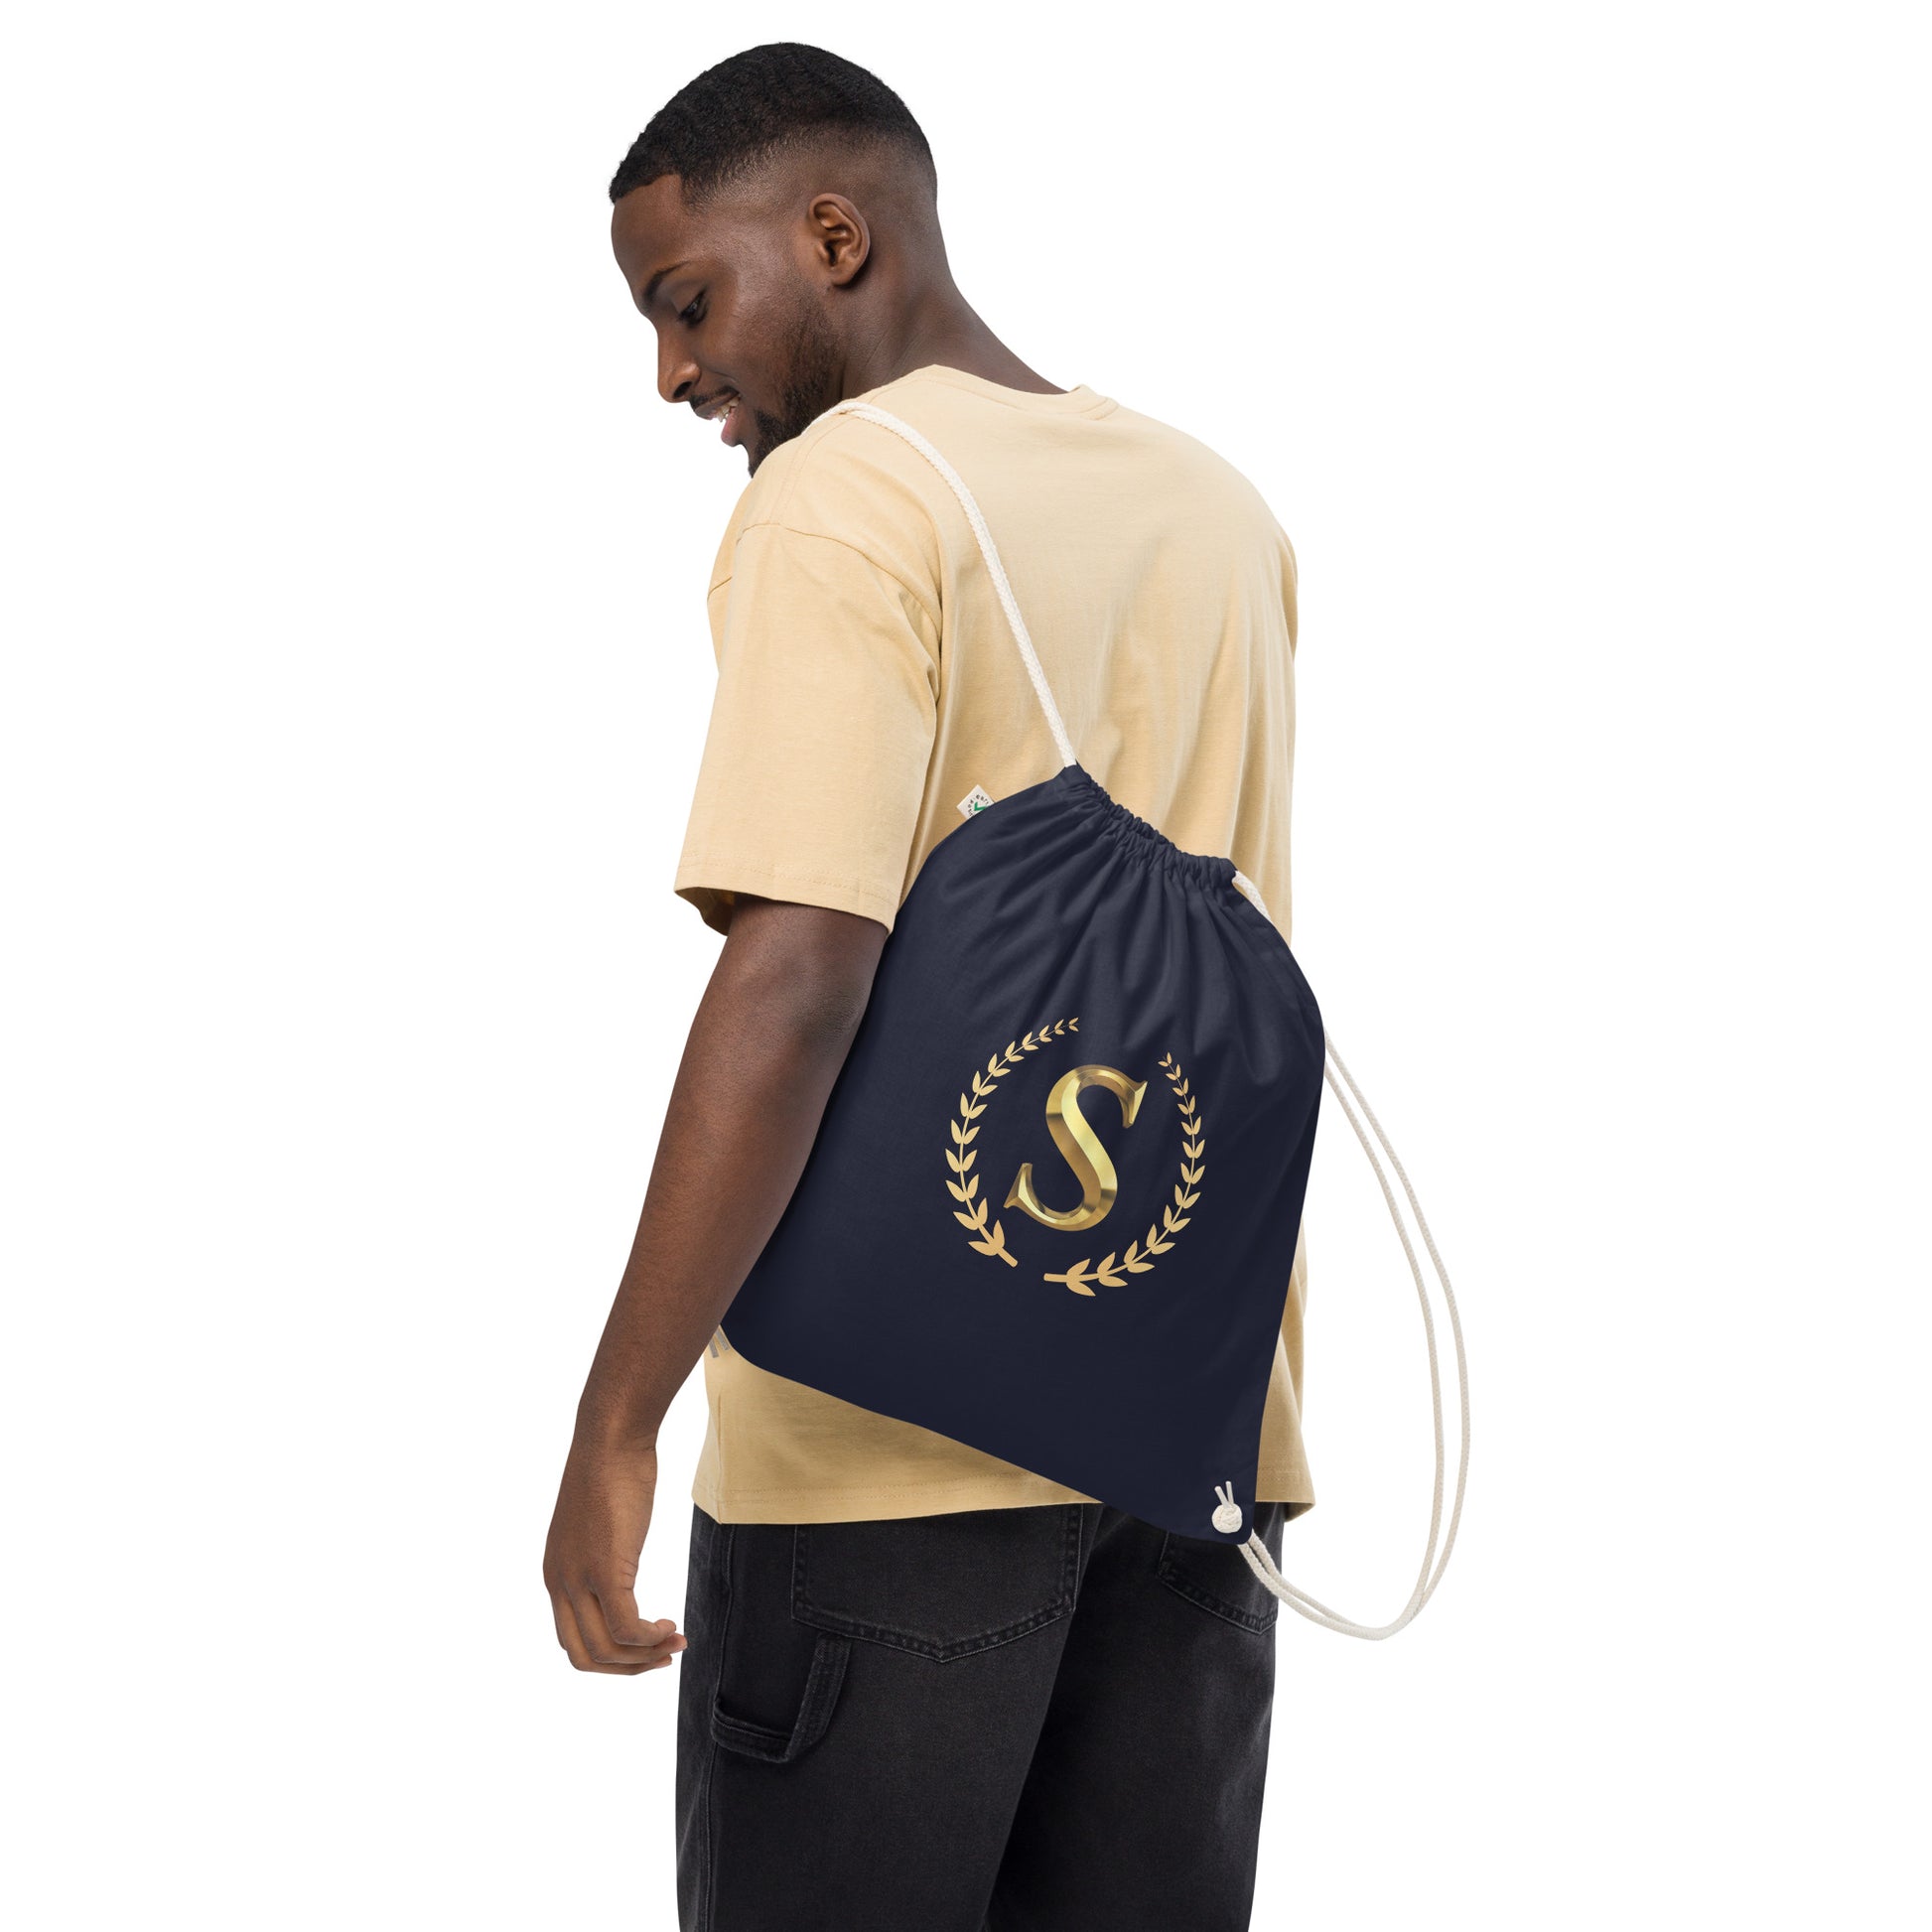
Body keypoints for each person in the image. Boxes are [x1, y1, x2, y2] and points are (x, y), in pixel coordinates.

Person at [543, 41, 1314, 1932]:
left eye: (685, 302)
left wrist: (618, 1416)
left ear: (835, 234)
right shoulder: (1216, 505)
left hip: (882, 1465)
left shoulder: (844, 498)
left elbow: (799, 974)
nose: (671, 374)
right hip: (1197, 1430)